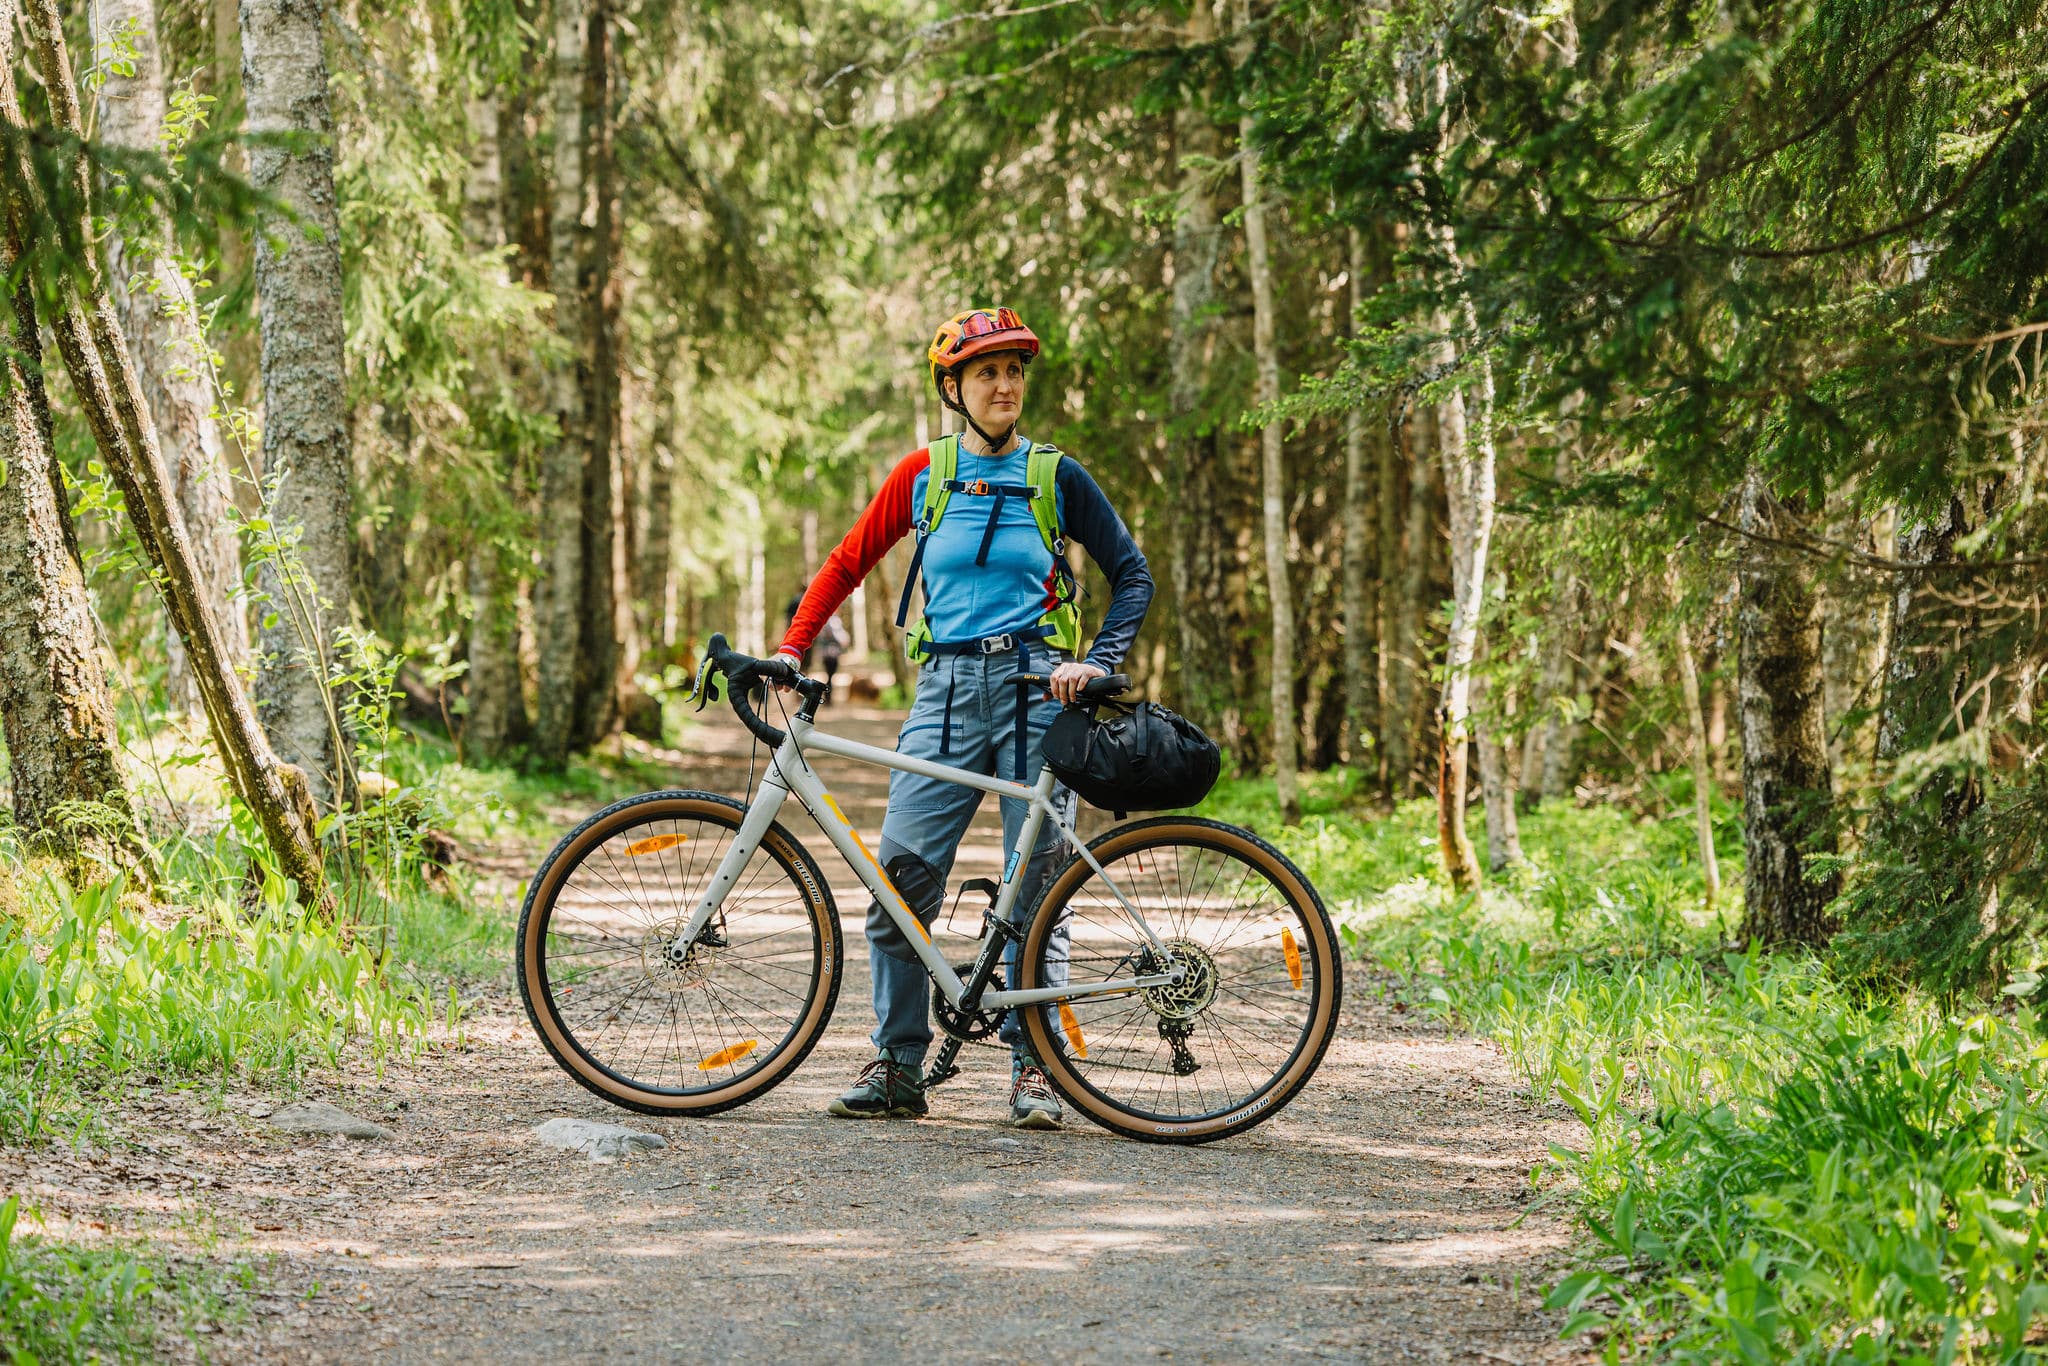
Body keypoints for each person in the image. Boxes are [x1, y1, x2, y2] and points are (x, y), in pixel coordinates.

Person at [776, 307, 1153, 1129]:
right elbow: (846, 563)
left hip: (1037, 693)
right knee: (899, 884)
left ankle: (1035, 1070)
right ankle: (897, 1063)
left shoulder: (1057, 476)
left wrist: (1099, 661)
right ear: (954, 387)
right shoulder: (923, 474)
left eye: (1015, 369)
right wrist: (792, 649)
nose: (1006, 383)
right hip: (944, 694)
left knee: (1039, 889)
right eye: (987, 371)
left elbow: (1131, 572)